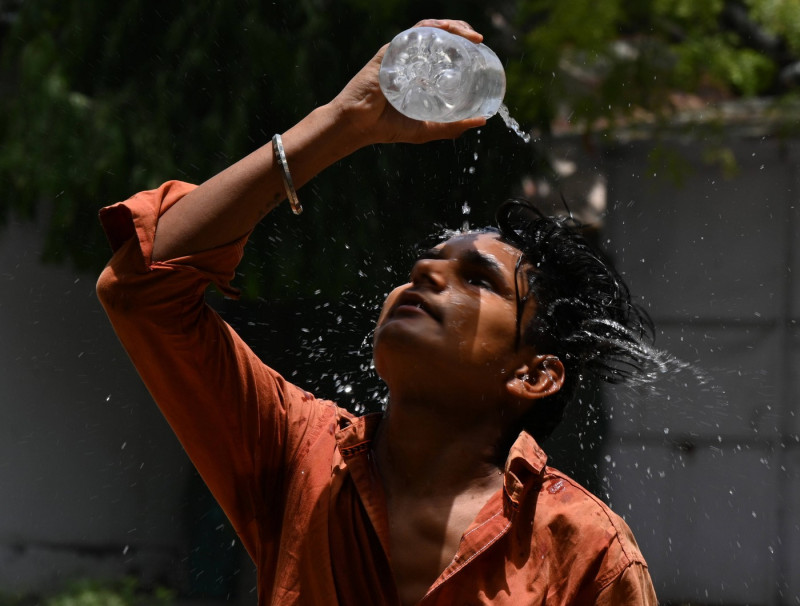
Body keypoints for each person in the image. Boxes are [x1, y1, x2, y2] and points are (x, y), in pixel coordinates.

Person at [97, 18, 658, 606]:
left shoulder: (586, 551)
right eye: (425, 263)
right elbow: (141, 286)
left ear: (533, 374)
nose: (426, 273)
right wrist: (341, 122)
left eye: (478, 279)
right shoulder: (299, 453)